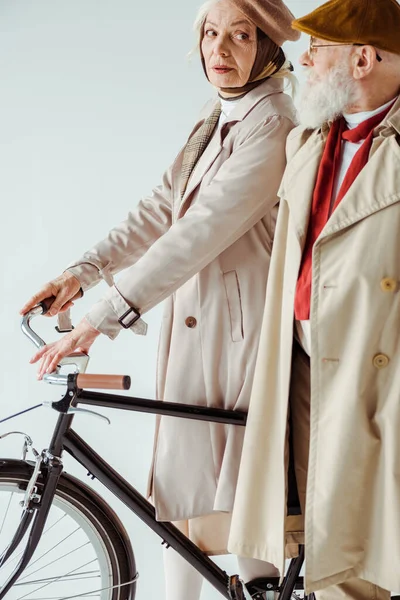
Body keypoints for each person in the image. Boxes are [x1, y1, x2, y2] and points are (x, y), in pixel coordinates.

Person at [21, 0, 300, 597]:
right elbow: (161, 206)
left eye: (240, 36)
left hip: (240, 337)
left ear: (268, 47)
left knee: (239, 502)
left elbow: (198, 234)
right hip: (200, 328)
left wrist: (97, 320)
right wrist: (82, 273)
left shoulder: (272, 120)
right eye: (210, 32)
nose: (219, 50)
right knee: (183, 498)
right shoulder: (219, 113)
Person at [228, 0, 400, 599]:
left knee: (367, 556)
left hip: (375, 376)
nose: (305, 59)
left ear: (363, 58)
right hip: (301, 368)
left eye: (318, 48)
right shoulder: (308, 141)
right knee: (319, 541)